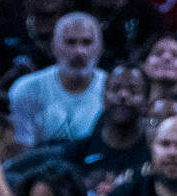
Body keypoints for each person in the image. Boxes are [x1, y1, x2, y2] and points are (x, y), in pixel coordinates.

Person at [8, 13, 106, 151]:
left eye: (87, 42)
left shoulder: (111, 89)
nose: (79, 51)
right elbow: (22, 150)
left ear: (100, 48)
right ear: (54, 46)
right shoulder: (26, 90)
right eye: (70, 42)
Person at [62, 63, 150, 196]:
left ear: (146, 102)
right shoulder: (76, 152)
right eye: (115, 89)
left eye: (132, 90)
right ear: (103, 98)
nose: (123, 96)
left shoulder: (154, 154)